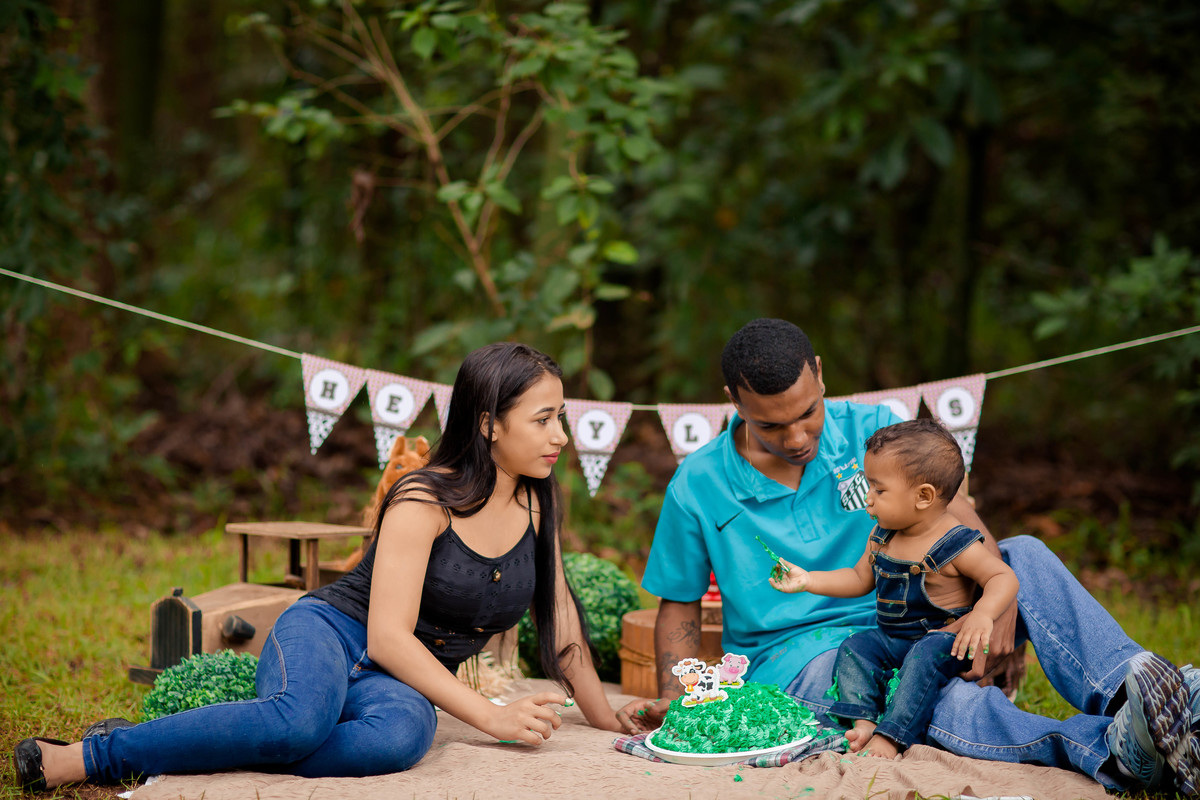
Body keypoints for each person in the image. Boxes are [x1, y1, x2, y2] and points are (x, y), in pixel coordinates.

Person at [15, 342, 653, 793]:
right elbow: (388, 636)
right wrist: (489, 716)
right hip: (334, 631)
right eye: (543, 419)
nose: (560, 435)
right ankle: (95, 755)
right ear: (488, 423)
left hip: (399, 678)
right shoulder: (424, 499)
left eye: (561, 416)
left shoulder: (537, 500)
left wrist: (607, 719)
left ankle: (216, 741)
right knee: (298, 722)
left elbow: (560, 618)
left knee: (398, 741)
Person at [624, 318, 1199, 796]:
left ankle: (1150, 696)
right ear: (733, 402)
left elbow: (955, 514)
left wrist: (993, 607)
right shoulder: (698, 483)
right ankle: (1109, 750)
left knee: (1021, 553)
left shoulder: (876, 430)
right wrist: (680, 700)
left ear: (820, 374)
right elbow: (679, 602)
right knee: (911, 690)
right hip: (802, 657)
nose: (797, 438)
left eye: (808, 413)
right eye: (771, 425)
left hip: (925, 613)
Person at [770, 418, 1020, 760]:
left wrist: (983, 614)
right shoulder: (882, 536)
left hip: (943, 641)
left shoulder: (955, 543)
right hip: (894, 638)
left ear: (923, 496)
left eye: (879, 490)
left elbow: (1003, 577)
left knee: (923, 657)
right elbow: (858, 579)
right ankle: (863, 721)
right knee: (856, 647)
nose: (868, 499)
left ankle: (893, 736)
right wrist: (809, 580)